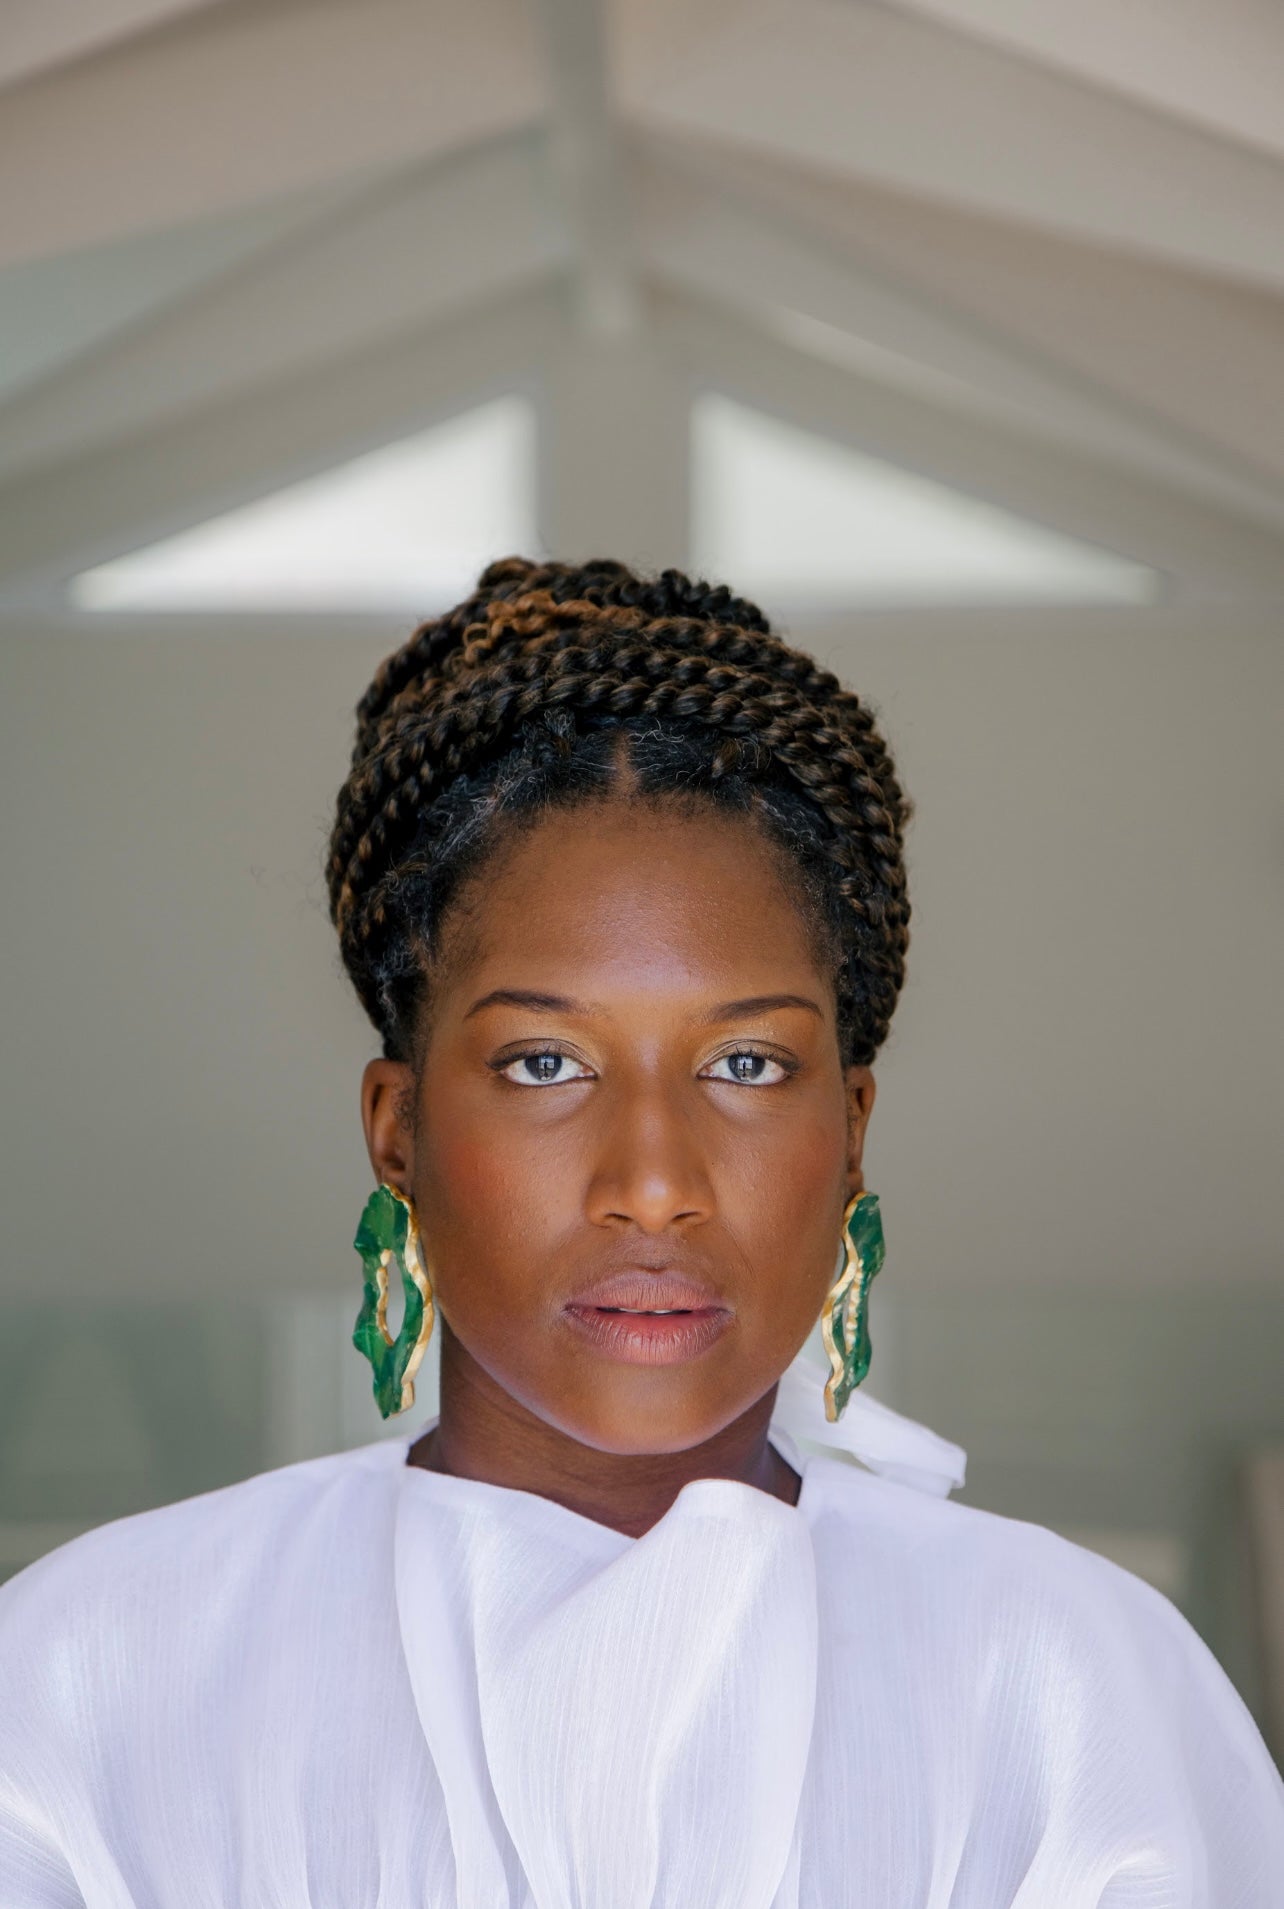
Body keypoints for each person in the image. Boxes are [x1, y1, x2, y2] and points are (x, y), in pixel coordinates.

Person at [1, 557, 1280, 1906]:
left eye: (746, 1065)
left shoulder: (1074, 1698)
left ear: (850, 1130)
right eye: (546, 1063)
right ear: (397, 1129)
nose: (655, 1180)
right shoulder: (91, 1686)